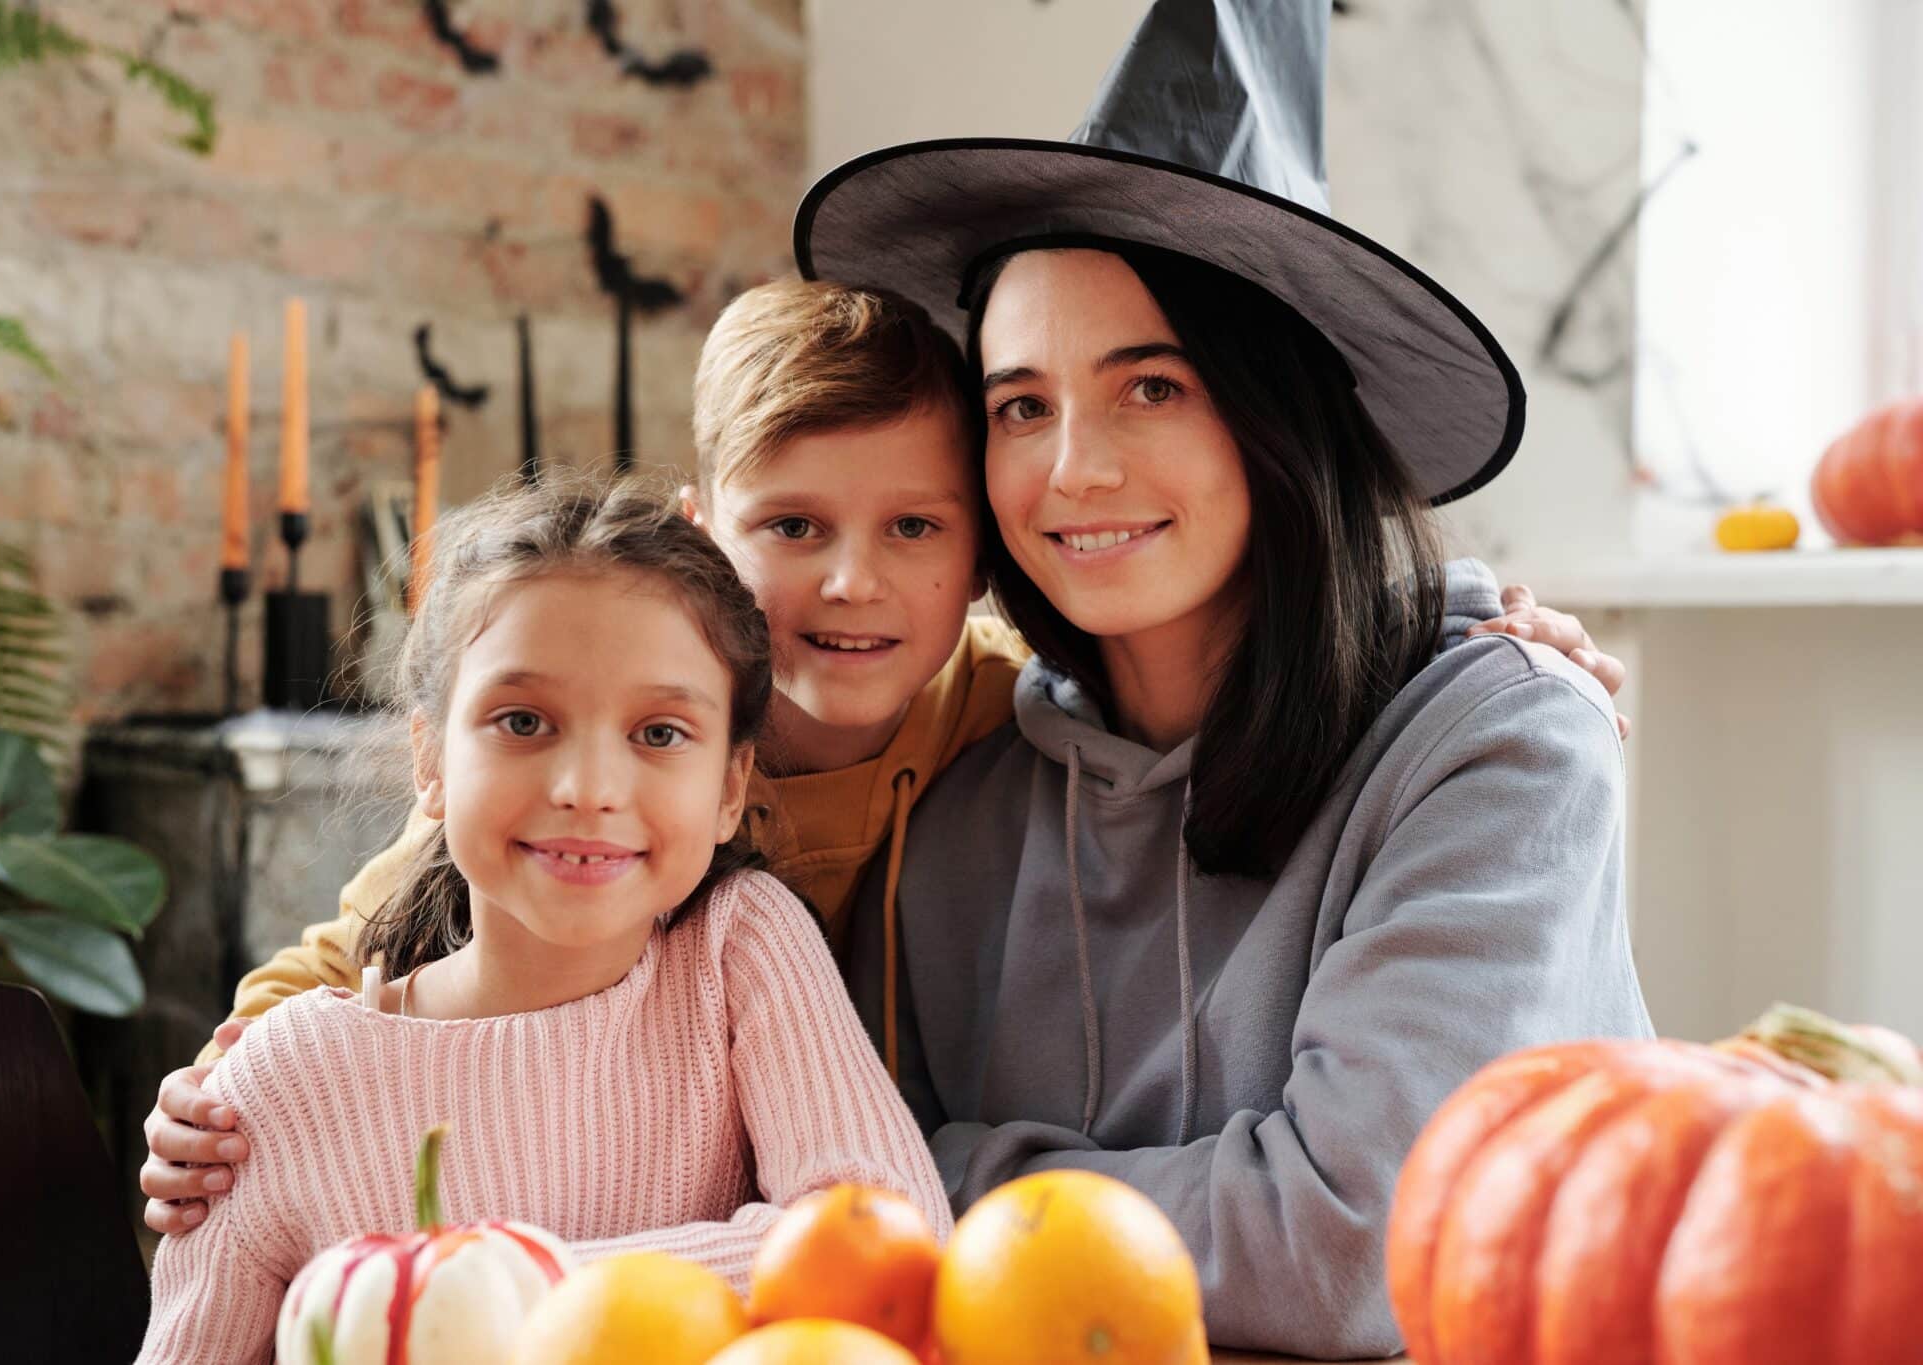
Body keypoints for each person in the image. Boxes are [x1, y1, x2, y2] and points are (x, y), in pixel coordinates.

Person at [139, 277, 1629, 1232]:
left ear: (975, 550)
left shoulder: (994, 709)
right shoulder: (616, 756)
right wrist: (221, 1098)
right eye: (793, 529)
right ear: (703, 530)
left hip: (815, 1226)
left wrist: (1462, 615)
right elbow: (372, 933)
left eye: (914, 528)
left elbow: (1289, 619)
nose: (853, 585)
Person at [798, 1, 1652, 1355]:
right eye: (1022, 402)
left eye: (1153, 386)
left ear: (1274, 414)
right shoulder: (949, 813)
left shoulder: (1500, 744)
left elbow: (1351, 1249)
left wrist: (952, 1176)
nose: (1072, 466)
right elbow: (817, 1200)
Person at [136, 480, 948, 1363]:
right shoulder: (280, 1086)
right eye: (523, 721)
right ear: (431, 758)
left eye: (661, 733)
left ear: (728, 787)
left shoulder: (738, 947)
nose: (587, 787)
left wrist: (477, 1299)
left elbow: (888, 1245)